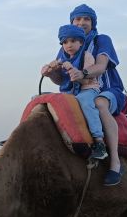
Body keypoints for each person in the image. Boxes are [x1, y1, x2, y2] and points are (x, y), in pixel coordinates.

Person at [62, 4, 127, 186]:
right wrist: (50, 72)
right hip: (78, 90)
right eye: (78, 19)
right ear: (72, 21)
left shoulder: (101, 40)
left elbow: (101, 66)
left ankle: (114, 162)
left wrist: (82, 73)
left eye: (86, 19)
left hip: (107, 88)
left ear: (93, 22)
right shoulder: (68, 43)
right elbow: (61, 80)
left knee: (99, 103)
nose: (82, 22)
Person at [41, 24, 109, 162]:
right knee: (41, 99)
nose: (69, 45)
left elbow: (86, 80)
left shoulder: (87, 56)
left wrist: (72, 69)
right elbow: (61, 81)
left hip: (88, 88)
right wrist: (49, 72)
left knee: (85, 103)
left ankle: (99, 141)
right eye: (65, 42)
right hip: (70, 92)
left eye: (73, 41)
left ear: (81, 42)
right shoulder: (61, 59)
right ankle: (26, 134)